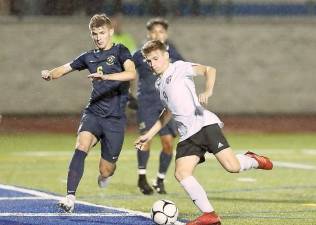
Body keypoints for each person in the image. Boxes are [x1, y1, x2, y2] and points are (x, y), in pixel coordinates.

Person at [135, 40, 273, 225]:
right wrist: (149, 135)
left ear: (166, 55)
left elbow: (210, 70)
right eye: (149, 61)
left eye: (155, 58)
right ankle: (210, 215)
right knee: (181, 173)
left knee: (232, 167)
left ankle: (253, 159)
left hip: (203, 124)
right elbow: (167, 113)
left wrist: (207, 90)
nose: (152, 63)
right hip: (188, 135)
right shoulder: (159, 85)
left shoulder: (180, 68)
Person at [41, 14, 136, 213]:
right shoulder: (88, 56)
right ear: (91, 35)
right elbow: (65, 68)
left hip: (115, 120)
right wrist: (50, 74)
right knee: (81, 146)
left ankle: (104, 178)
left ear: (110, 32)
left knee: (106, 169)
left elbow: (131, 73)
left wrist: (106, 77)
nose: (99, 37)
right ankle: (70, 197)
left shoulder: (121, 51)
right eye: (95, 34)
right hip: (93, 113)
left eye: (102, 33)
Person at [132, 17, 184, 195]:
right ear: (148, 34)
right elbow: (127, 70)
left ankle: (160, 180)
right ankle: (141, 177)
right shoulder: (140, 53)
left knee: (168, 143)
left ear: (166, 34)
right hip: (146, 102)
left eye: (161, 31)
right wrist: (126, 94)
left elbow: (183, 73)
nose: (157, 34)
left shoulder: (173, 53)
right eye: (153, 32)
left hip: (166, 105)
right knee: (146, 139)